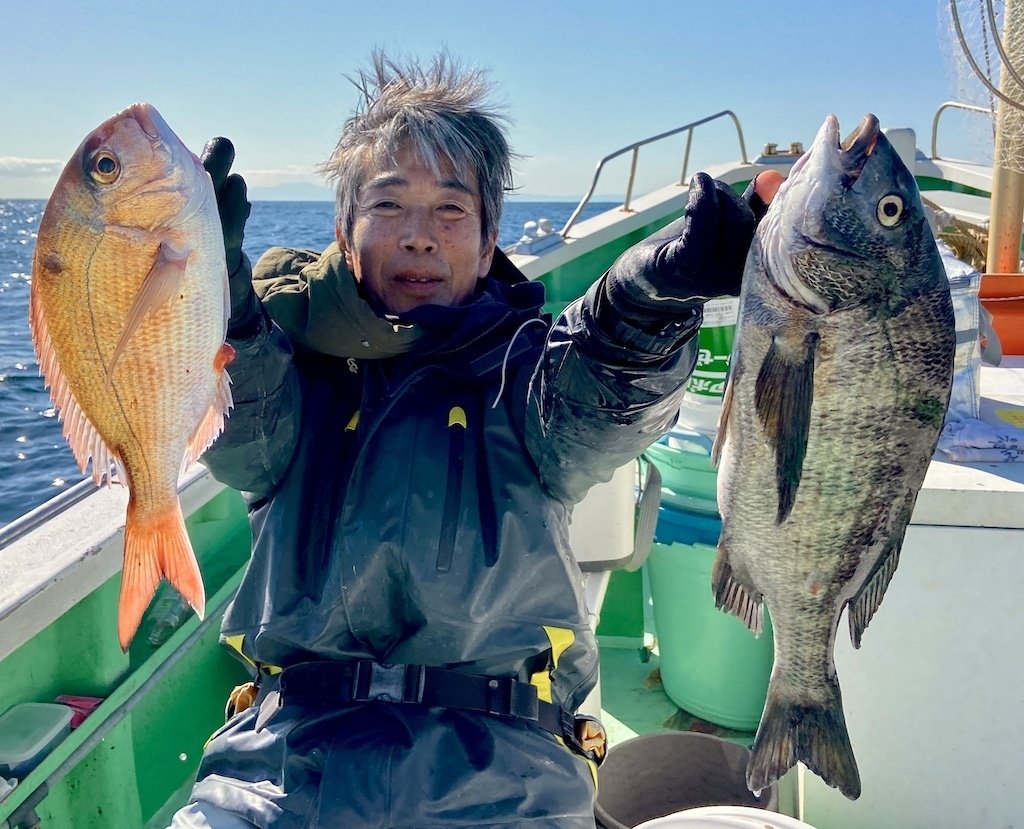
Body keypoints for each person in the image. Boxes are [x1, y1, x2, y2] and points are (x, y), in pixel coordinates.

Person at [170, 50, 776, 829]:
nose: (420, 237)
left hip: (508, 774)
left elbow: (605, 396)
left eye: (451, 211)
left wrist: (653, 295)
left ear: (489, 242)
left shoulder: (529, 375)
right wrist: (214, 300)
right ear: (343, 232)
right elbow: (240, 428)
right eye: (388, 206)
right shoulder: (289, 365)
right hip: (278, 772)